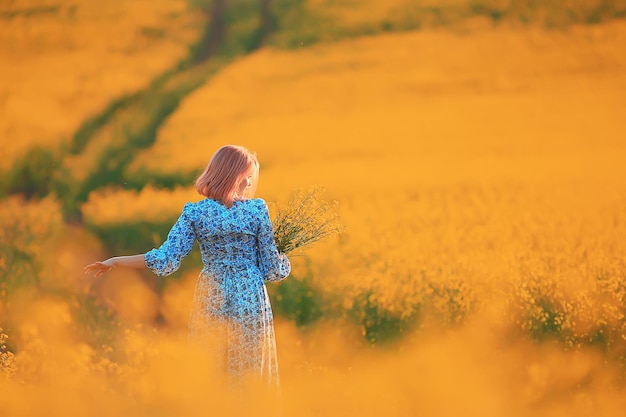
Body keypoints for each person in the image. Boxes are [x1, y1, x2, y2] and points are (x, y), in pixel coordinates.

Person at [84, 145, 291, 387]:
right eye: (247, 177)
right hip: (250, 299)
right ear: (236, 176)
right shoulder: (256, 210)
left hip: (212, 295)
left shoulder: (195, 212)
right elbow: (271, 269)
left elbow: (164, 259)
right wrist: (285, 258)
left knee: (210, 372)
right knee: (249, 374)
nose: (248, 184)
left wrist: (115, 261)